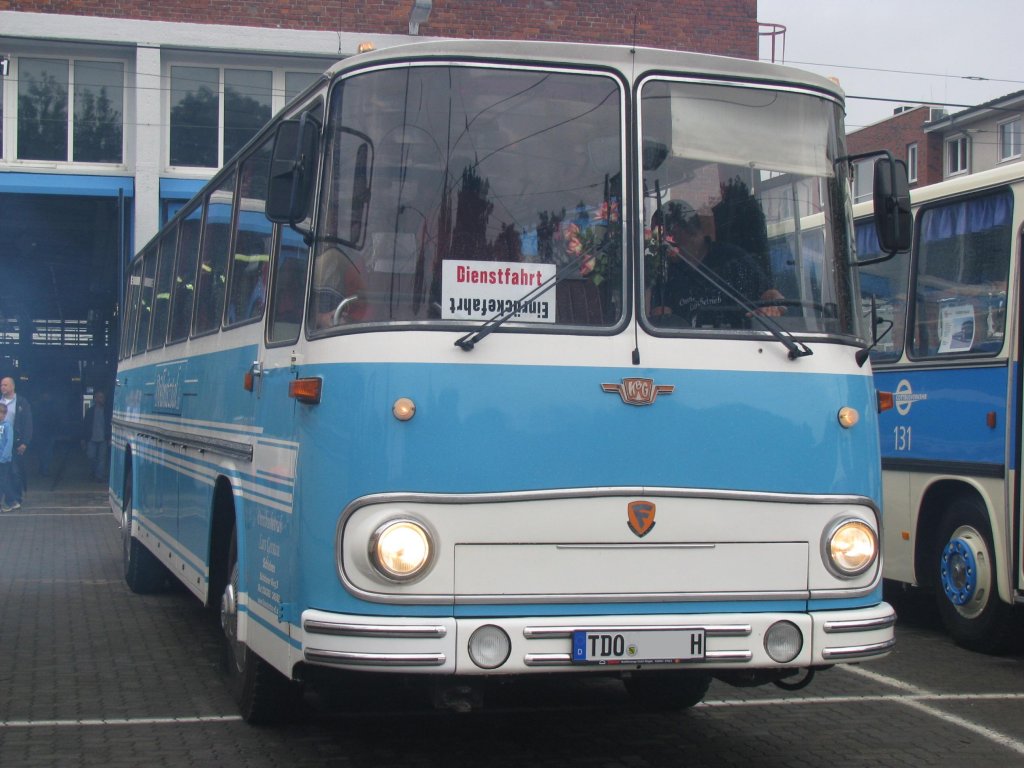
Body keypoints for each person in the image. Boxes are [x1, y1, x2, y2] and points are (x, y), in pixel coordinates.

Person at [648, 200, 784, 328]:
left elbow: (774, 297)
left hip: (745, 345)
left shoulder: (733, 259)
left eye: (663, 238)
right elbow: (660, 319)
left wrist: (772, 309)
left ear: (677, 233)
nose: (661, 246)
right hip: (687, 347)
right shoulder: (668, 273)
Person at [0, 376, 32, 509]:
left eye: (5, 385)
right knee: (4, 474)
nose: (2, 387)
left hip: (15, 443)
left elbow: (28, 423)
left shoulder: (21, 402)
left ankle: (15, 498)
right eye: (1, 385)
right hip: (1, 442)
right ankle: (7, 500)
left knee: (15, 472)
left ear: (13, 386)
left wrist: (25, 442)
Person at [82, 389, 112, 482]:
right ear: (95, 399)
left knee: (101, 459)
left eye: (102, 397)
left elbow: (110, 425)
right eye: (98, 397)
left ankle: (99, 476)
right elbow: (85, 425)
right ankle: (93, 471)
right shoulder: (90, 411)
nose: (100, 399)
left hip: (103, 438)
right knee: (91, 457)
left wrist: (110, 437)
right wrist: (83, 438)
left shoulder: (107, 412)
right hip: (91, 438)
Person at [0, 402, 14, 511]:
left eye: (2, 413)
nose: (0, 415)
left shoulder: (7, 426)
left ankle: (11, 500)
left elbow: (9, 442)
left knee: (3, 481)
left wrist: (4, 457)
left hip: (3, 460)